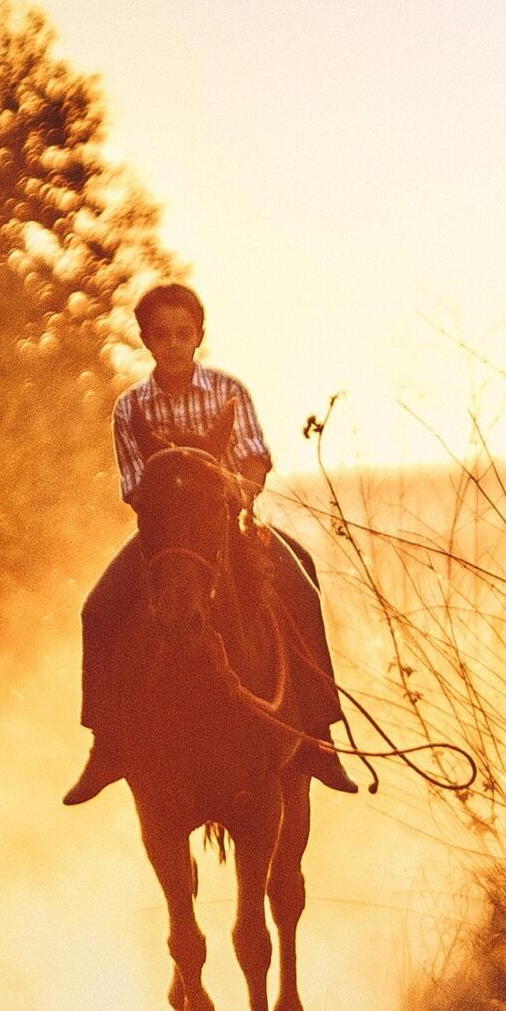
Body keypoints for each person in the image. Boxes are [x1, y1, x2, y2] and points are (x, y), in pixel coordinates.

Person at [62, 281, 358, 806]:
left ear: (198, 335)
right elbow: (134, 484)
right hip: (168, 539)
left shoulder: (228, 391)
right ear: (147, 341)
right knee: (98, 608)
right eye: (162, 335)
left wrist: (230, 494)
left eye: (183, 333)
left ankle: (318, 731)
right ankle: (106, 743)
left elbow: (253, 458)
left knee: (301, 577)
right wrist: (173, 504)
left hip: (229, 525)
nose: (173, 344)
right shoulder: (131, 408)